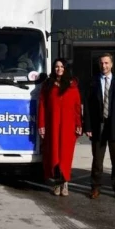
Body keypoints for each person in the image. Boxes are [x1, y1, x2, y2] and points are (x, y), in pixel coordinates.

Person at [84, 53, 115, 200]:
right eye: (101, 63)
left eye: (106, 63)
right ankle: (95, 187)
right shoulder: (93, 81)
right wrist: (88, 126)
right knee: (97, 160)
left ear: (111, 64)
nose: (103, 66)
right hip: (98, 126)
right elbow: (87, 106)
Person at [37, 58, 82, 197]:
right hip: (52, 126)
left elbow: (77, 107)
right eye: (57, 66)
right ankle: (57, 182)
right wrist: (41, 125)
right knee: (54, 153)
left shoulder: (72, 85)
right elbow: (42, 106)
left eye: (62, 66)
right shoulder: (48, 85)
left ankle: (65, 181)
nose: (59, 69)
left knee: (65, 155)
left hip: (68, 127)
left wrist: (78, 124)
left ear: (66, 68)